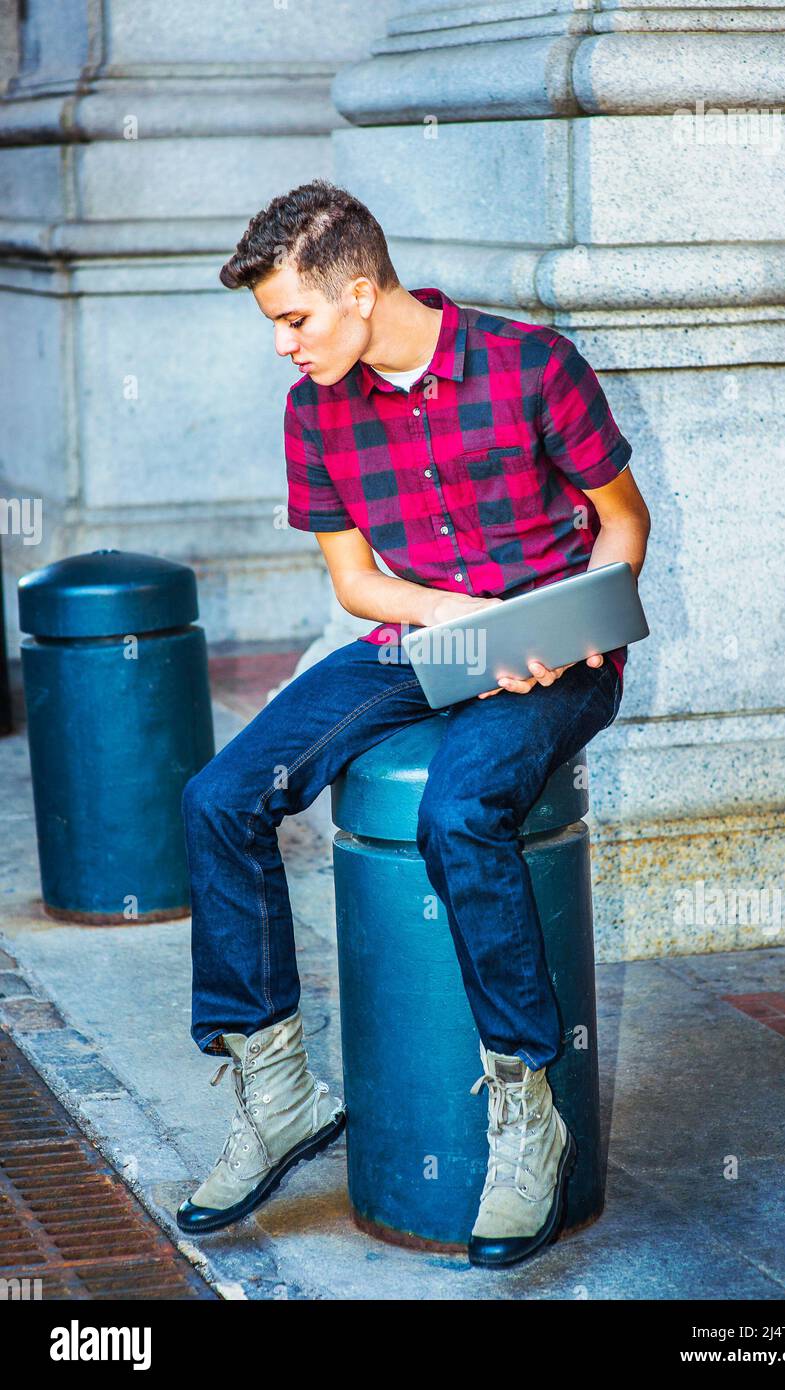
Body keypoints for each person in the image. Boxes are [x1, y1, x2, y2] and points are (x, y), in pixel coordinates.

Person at [175, 179, 651, 1269]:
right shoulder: (314, 409)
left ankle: (527, 1111)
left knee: (459, 812)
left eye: (294, 320)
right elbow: (356, 581)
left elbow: (623, 522)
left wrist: (565, 623)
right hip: (423, 644)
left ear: (359, 291)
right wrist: (461, 619)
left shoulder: (533, 366)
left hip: (559, 658)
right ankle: (279, 1089)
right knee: (218, 797)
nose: (284, 346)